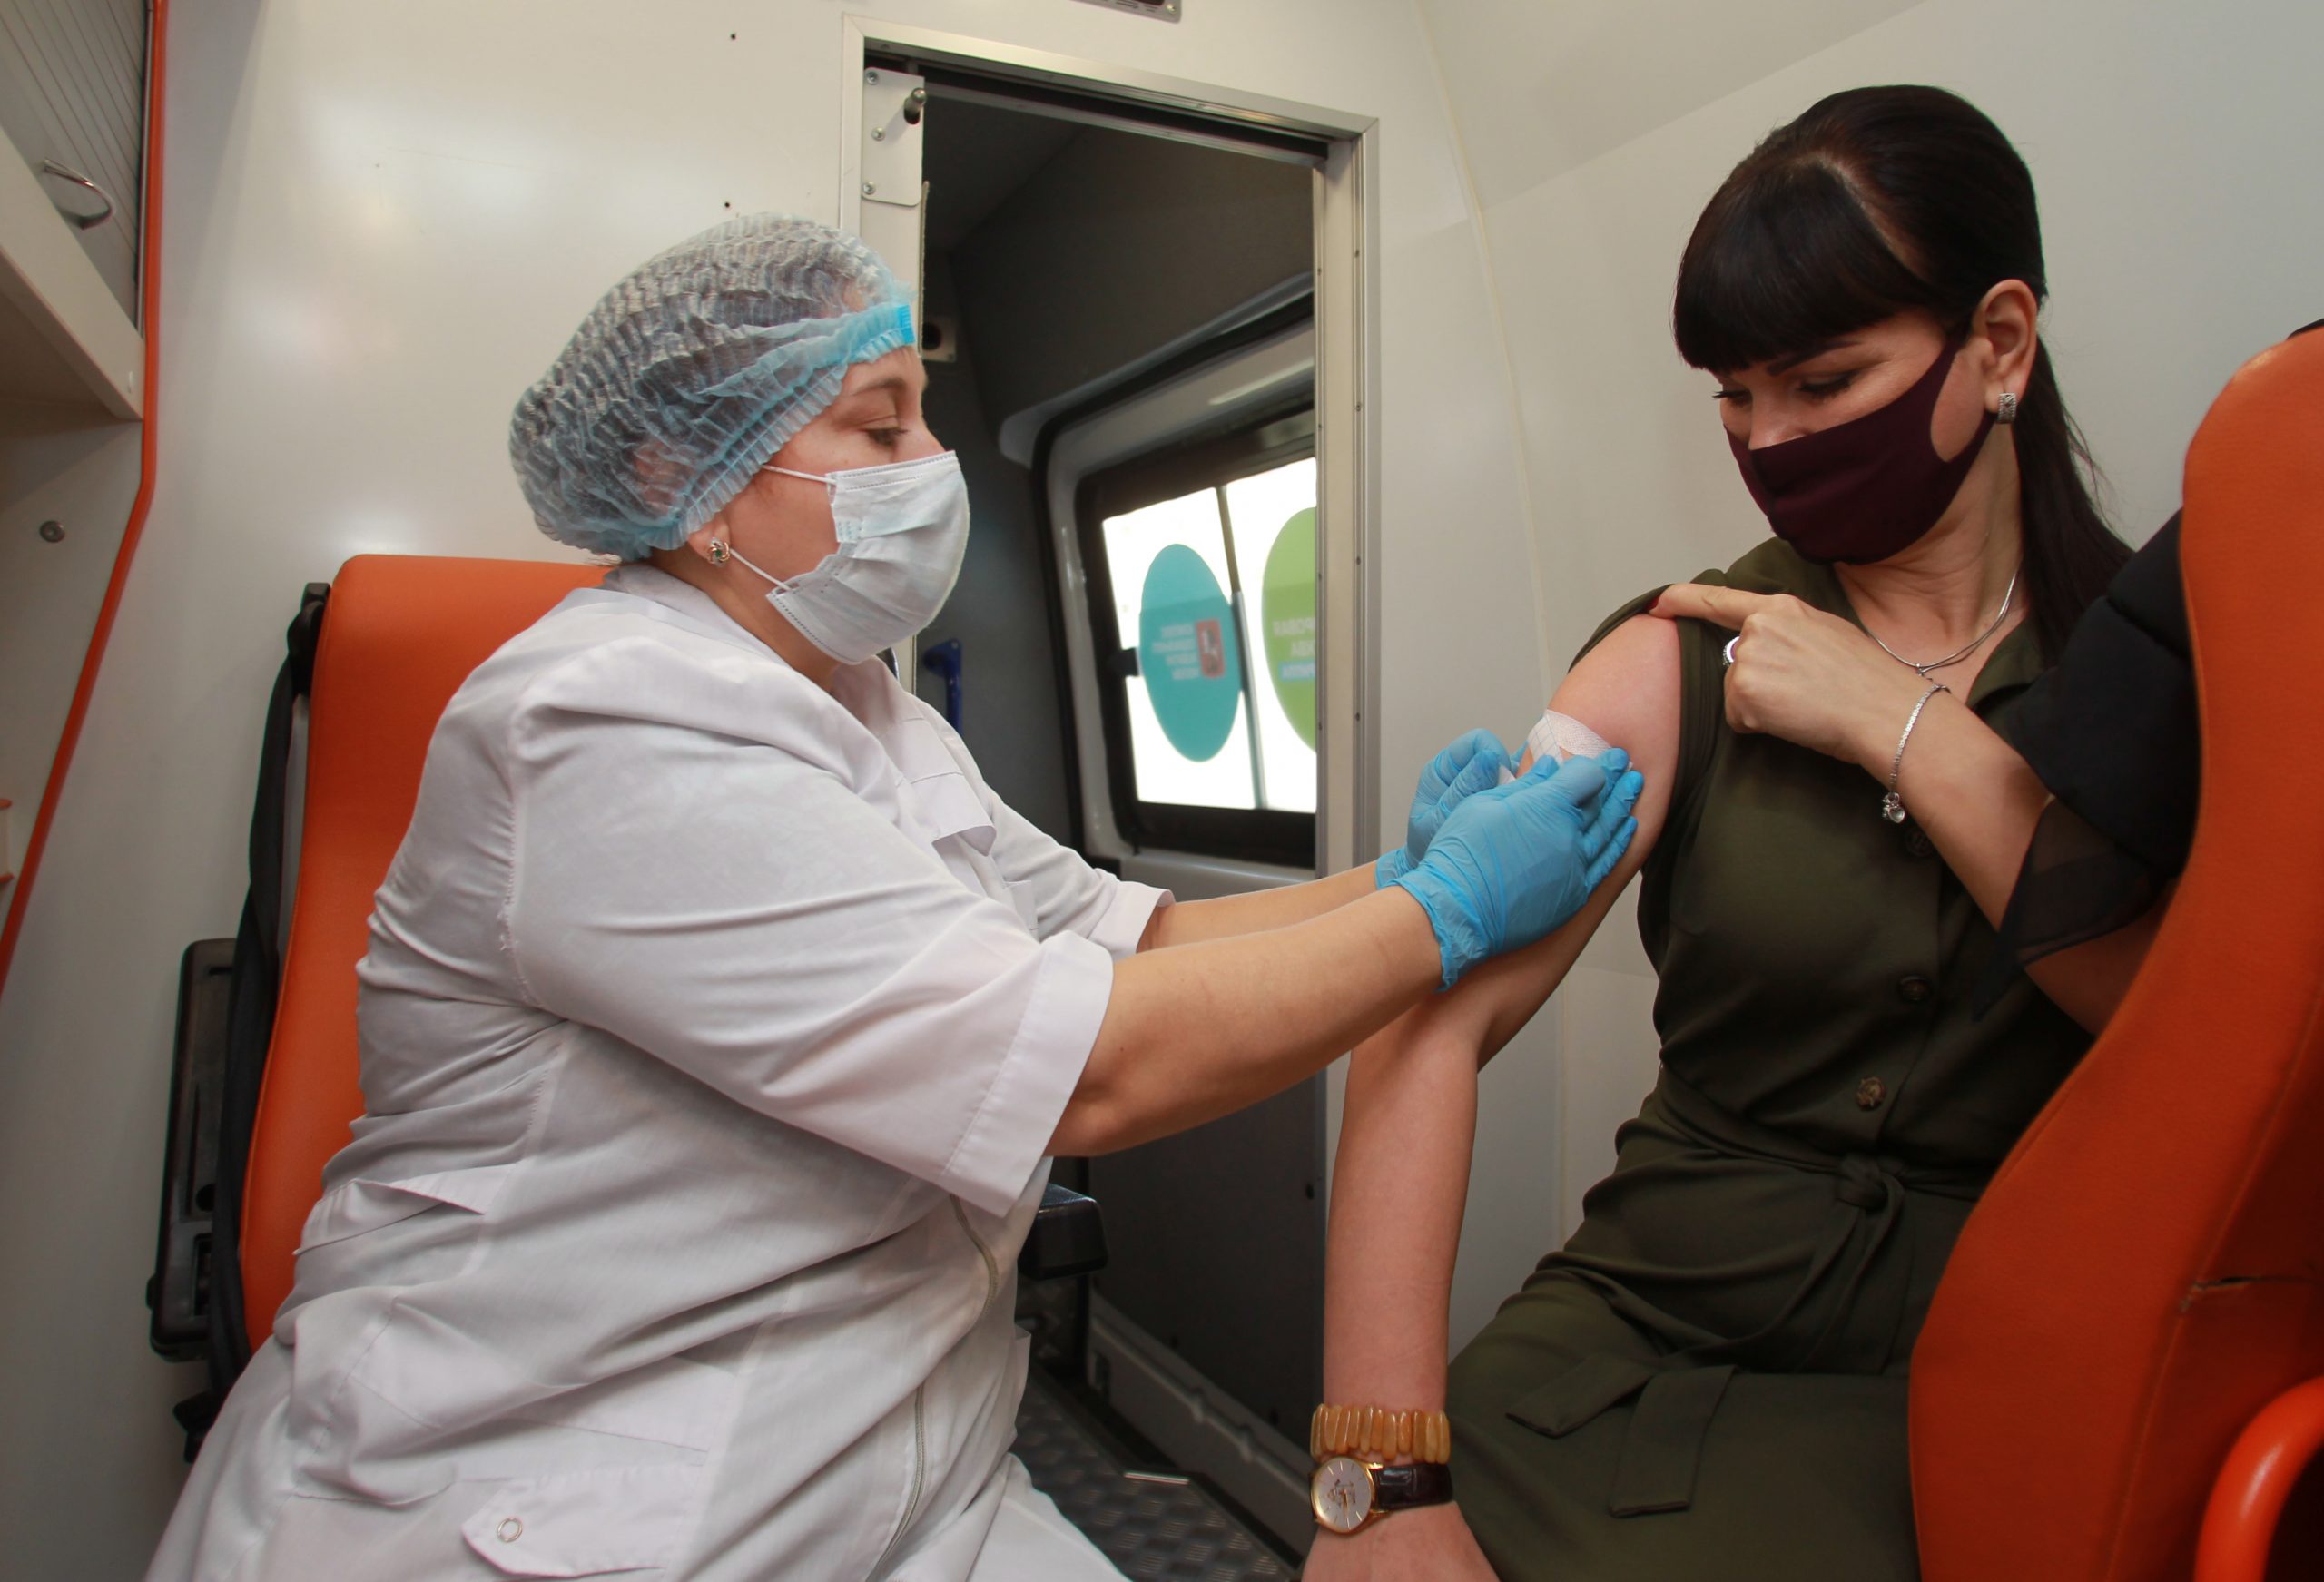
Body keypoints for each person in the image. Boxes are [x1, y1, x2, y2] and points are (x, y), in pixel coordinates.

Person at [143, 215, 1640, 1582]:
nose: (934, 464)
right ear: (677, 483)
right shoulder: (599, 724)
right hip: (566, 1486)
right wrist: (1445, 914)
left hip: (891, 1454)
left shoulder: (864, 706)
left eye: (924, 416)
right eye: (880, 426)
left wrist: (1397, 873)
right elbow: (1091, 1068)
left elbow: (1141, 934)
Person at [1304, 86, 2146, 1581]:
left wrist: (1902, 726)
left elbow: (2175, 1020)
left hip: (2007, 1367)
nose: (1771, 439)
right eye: (1736, 398)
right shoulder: (1673, 658)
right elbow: (1424, 1020)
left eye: (1823, 382)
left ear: (2001, 343)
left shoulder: (2159, 674)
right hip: (1644, 1353)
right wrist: (1380, 1480)